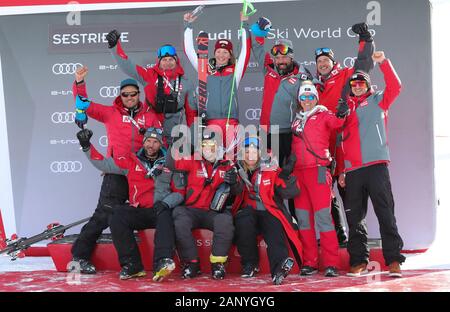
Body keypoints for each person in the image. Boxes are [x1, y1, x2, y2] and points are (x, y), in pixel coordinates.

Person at [70, 67, 161, 274]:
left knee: (142, 215)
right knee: (104, 214)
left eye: (133, 94)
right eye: (125, 94)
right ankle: (79, 256)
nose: (129, 97)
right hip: (118, 172)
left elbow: (160, 141)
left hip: (143, 174)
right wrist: (79, 83)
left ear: (139, 94)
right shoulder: (110, 113)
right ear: (120, 96)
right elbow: (82, 104)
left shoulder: (150, 115)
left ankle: (139, 262)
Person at [76, 127, 184, 281]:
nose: (151, 145)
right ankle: (132, 265)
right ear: (144, 142)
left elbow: (180, 192)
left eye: (155, 142)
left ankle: (162, 262)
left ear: (161, 145)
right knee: (116, 215)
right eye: (148, 141)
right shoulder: (131, 161)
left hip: (160, 209)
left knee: (166, 216)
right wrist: (86, 146)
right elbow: (103, 164)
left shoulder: (170, 164)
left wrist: (166, 203)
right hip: (139, 210)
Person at [338, 51, 405, 278]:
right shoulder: (345, 109)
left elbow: (396, 87)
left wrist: (383, 62)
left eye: (361, 83)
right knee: (354, 218)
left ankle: (394, 260)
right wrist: (343, 170)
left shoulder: (378, 100)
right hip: (353, 171)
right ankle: (358, 261)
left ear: (367, 85)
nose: (357, 86)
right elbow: (338, 142)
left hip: (376, 166)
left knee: (385, 212)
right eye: (353, 84)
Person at [313, 22, 376, 246]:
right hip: (323, 150)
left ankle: (357, 242)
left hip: (344, 147)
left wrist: (365, 40)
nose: (322, 65)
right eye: (319, 62)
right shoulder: (313, 88)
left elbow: (364, 63)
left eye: (325, 61)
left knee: (350, 195)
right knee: (326, 196)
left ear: (333, 62)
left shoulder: (345, 77)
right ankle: (338, 237)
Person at [291, 81, 348, 277]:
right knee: (304, 220)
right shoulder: (296, 121)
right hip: (299, 175)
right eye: (303, 97)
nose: (307, 100)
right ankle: (310, 262)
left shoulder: (324, 114)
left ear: (316, 98)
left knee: (324, 218)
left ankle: (331, 263)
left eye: (310, 97)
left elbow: (338, 123)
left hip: (317, 172)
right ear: (299, 100)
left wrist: (342, 112)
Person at [231, 137, 303, 285]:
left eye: (253, 151)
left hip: (269, 210)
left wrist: (286, 177)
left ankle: (279, 270)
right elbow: (236, 192)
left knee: (274, 226)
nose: (250, 155)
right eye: (247, 152)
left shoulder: (270, 167)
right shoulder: (238, 168)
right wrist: (232, 182)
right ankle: (250, 264)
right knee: (243, 220)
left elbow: (290, 192)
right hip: (249, 210)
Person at [105, 30, 197, 145]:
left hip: (174, 133)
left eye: (171, 59)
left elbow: (192, 113)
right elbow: (127, 66)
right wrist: (114, 47)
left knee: (173, 161)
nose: (167, 62)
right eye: (164, 60)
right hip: (150, 133)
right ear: (159, 62)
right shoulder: (149, 75)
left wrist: (194, 141)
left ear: (176, 61)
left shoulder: (186, 82)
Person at [166, 132, 236, 280]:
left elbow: (237, 192)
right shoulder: (193, 160)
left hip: (213, 212)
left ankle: (218, 264)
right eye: (204, 145)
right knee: (179, 216)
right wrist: (174, 146)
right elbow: (172, 164)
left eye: (212, 145)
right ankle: (192, 263)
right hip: (192, 209)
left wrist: (235, 182)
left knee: (225, 220)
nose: (208, 149)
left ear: (218, 147)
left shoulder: (228, 165)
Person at [249, 16, 313, 165]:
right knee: (264, 173)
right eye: (277, 58)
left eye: (284, 57)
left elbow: (312, 99)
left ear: (291, 57)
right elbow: (257, 48)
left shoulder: (301, 77)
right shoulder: (269, 70)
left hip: (287, 134)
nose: (280, 61)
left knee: (285, 175)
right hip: (265, 131)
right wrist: (260, 32)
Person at [183, 11, 251, 148]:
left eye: (225, 52)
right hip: (210, 122)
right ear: (214, 53)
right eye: (219, 51)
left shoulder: (235, 71)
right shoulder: (205, 69)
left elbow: (246, 51)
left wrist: (244, 25)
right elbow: (189, 51)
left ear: (230, 54)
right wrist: (188, 26)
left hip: (230, 122)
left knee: (232, 159)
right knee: (212, 158)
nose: (221, 55)